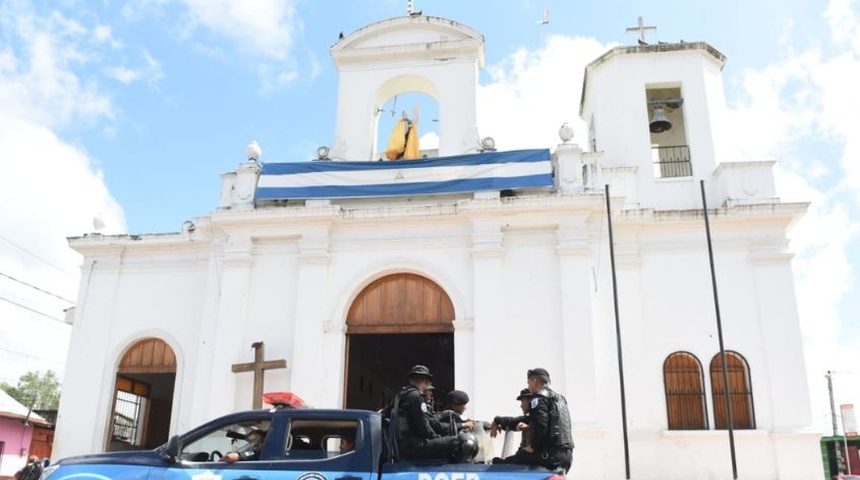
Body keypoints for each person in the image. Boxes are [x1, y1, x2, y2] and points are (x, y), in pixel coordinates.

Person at [387, 364, 476, 462]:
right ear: (426, 381)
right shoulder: (415, 397)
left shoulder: (403, 394)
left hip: (406, 445)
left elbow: (429, 422)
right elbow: (423, 426)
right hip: (412, 447)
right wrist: (436, 439)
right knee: (458, 441)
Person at [523, 368, 573, 473]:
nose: (528, 387)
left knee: (508, 462)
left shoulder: (539, 397)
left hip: (549, 456)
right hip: (566, 456)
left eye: (528, 383)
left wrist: (533, 446)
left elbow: (541, 424)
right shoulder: (559, 398)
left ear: (534, 381)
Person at [491, 388, 535, 465]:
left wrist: (496, 420)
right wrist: (497, 422)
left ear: (530, 401)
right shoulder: (530, 418)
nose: (521, 405)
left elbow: (513, 421)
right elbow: (512, 422)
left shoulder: (537, 418)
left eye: (523, 401)